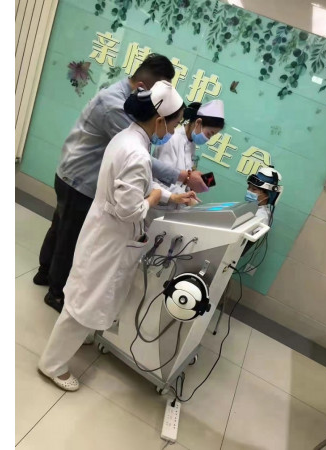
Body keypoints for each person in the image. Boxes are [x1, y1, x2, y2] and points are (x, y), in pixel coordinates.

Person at [37, 81, 197, 391]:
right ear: (159, 120)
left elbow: (138, 185)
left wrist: (170, 196)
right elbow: (130, 209)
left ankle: (76, 338)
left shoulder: (128, 138)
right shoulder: (136, 153)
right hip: (110, 236)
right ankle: (52, 365)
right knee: (87, 299)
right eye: (175, 123)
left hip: (104, 230)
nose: (175, 129)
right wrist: (153, 199)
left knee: (89, 294)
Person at [33, 54, 210, 312]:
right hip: (80, 180)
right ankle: (57, 292)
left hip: (73, 174)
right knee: (69, 237)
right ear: (142, 88)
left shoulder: (122, 108)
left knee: (61, 226)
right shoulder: (117, 111)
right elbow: (141, 168)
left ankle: (45, 272)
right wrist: (176, 180)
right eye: (156, 99)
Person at [145, 100, 225, 226]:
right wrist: (186, 197)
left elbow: (184, 176)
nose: (208, 139)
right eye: (209, 134)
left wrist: (194, 183)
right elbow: (159, 179)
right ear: (198, 123)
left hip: (174, 208)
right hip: (158, 209)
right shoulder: (172, 139)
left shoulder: (191, 143)